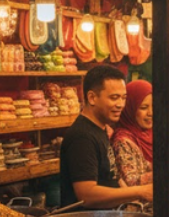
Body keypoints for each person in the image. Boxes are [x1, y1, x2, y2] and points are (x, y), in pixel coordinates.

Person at [60, 65, 153, 208]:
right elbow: (86, 195)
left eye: (123, 98)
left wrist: (134, 204)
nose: (120, 105)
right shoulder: (82, 137)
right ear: (92, 98)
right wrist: (138, 191)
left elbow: (113, 176)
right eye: (114, 98)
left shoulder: (101, 129)